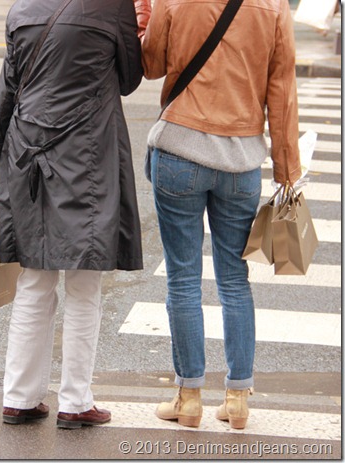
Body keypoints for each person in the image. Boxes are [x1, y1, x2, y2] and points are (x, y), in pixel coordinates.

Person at [0, 0, 143, 429]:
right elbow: (129, 78)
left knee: (34, 278)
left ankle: (20, 397)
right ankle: (74, 401)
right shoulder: (112, 8)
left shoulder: (23, 9)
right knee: (85, 282)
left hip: (26, 152)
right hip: (86, 155)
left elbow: (7, 89)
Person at [134, 0, 301, 429]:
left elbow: (150, 66)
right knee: (234, 279)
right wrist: (286, 169)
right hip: (242, 160)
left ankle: (188, 397)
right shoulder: (274, 5)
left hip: (180, 150)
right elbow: (281, 87)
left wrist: (145, 19)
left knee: (183, 277)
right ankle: (238, 397)